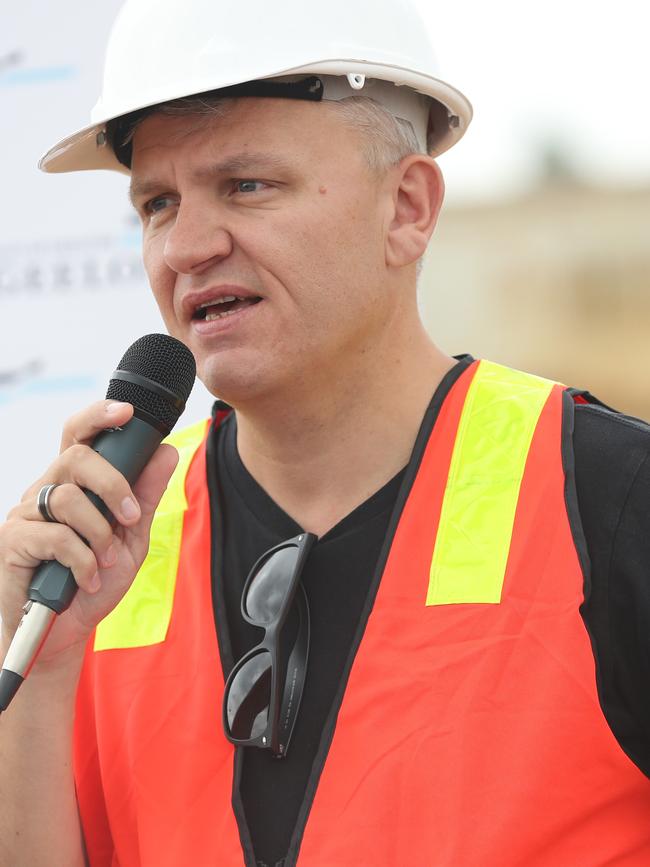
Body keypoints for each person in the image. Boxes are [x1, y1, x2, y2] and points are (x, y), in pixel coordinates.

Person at [2, 0, 650, 865]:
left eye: (246, 185)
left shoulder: (611, 498)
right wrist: (40, 670)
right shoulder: (92, 556)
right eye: (157, 203)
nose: (186, 246)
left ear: (408, 206)